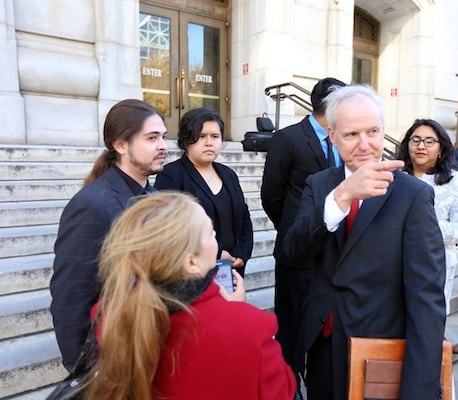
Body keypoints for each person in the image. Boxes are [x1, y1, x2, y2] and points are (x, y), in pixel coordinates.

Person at [283, 85, 447, 400]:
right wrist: (341, 198)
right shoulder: (320, 185)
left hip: (380, 351)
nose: (364, 144)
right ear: (332, 135)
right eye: (351, 134)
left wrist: (419, 390)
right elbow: (292, 251)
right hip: (322, 348)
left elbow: (426, 299)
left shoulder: (412, 195)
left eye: (372, 131)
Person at [82, 192, 296, 400]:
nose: (216, 240)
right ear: (191, 262)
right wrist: (234, 312)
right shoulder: (251, 329)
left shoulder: (109, 315)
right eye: (212, 233)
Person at [50, 99, 168, 372]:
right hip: (112, 362)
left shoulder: (153, 197)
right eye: (151, 138)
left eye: (163, 136)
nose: (163, 145)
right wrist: (86, 370)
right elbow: (71, 298)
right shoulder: (91, 205)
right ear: (120, 145)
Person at [260, 77, 346, 372]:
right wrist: (293, 229)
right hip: (296, 252)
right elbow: (271, 194)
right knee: (292, 323)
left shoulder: (343, 139)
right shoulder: (289, 138)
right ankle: (289, 381)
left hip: (333, 251)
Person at [155, 108, 253, 276]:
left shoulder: (229, 175)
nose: (209, 142)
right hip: (193, 272)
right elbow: (170, 228)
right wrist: (218, 253)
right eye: (201, 136)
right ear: (186, 141)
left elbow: (243, 216)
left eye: (215, 136)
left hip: (233, 268)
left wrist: (242, 253)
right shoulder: (171, 175)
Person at [398, 119, 458, 317]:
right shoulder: (394, 176)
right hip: (392, 264)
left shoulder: (455, 181)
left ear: (441, 148)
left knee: (425, 325)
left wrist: (423, 228)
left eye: (429, 141)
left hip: (433, 268)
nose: (421, 146)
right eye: (415, 140)